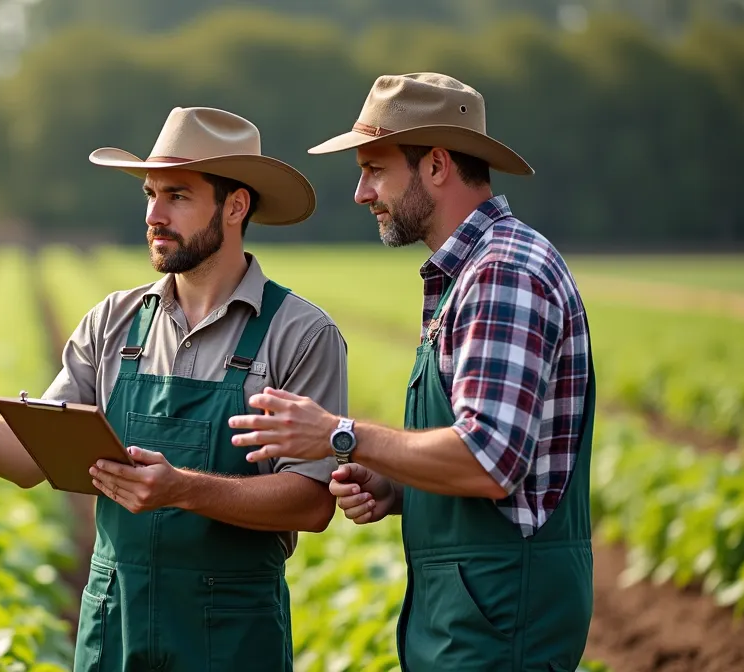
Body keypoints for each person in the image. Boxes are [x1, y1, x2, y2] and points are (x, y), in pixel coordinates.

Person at [0, 106, 349, 672]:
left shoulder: (300, 333)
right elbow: (28, 460)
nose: (155, 214)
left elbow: (312, 502)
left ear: (235, 205)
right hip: (114, 623)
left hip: (233, 633)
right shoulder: (113, 322)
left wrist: (181, 489)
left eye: (178, 196)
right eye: (150, 193)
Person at [228, 72, 596, 671]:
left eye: (374, 169)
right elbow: (494, 460)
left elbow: (490, 459)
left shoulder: (503, 274)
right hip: (471, 613)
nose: (361, 192)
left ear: (437, 166)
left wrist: (339, 435)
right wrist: (400, 489)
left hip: (501, 621)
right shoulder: (471, 272)